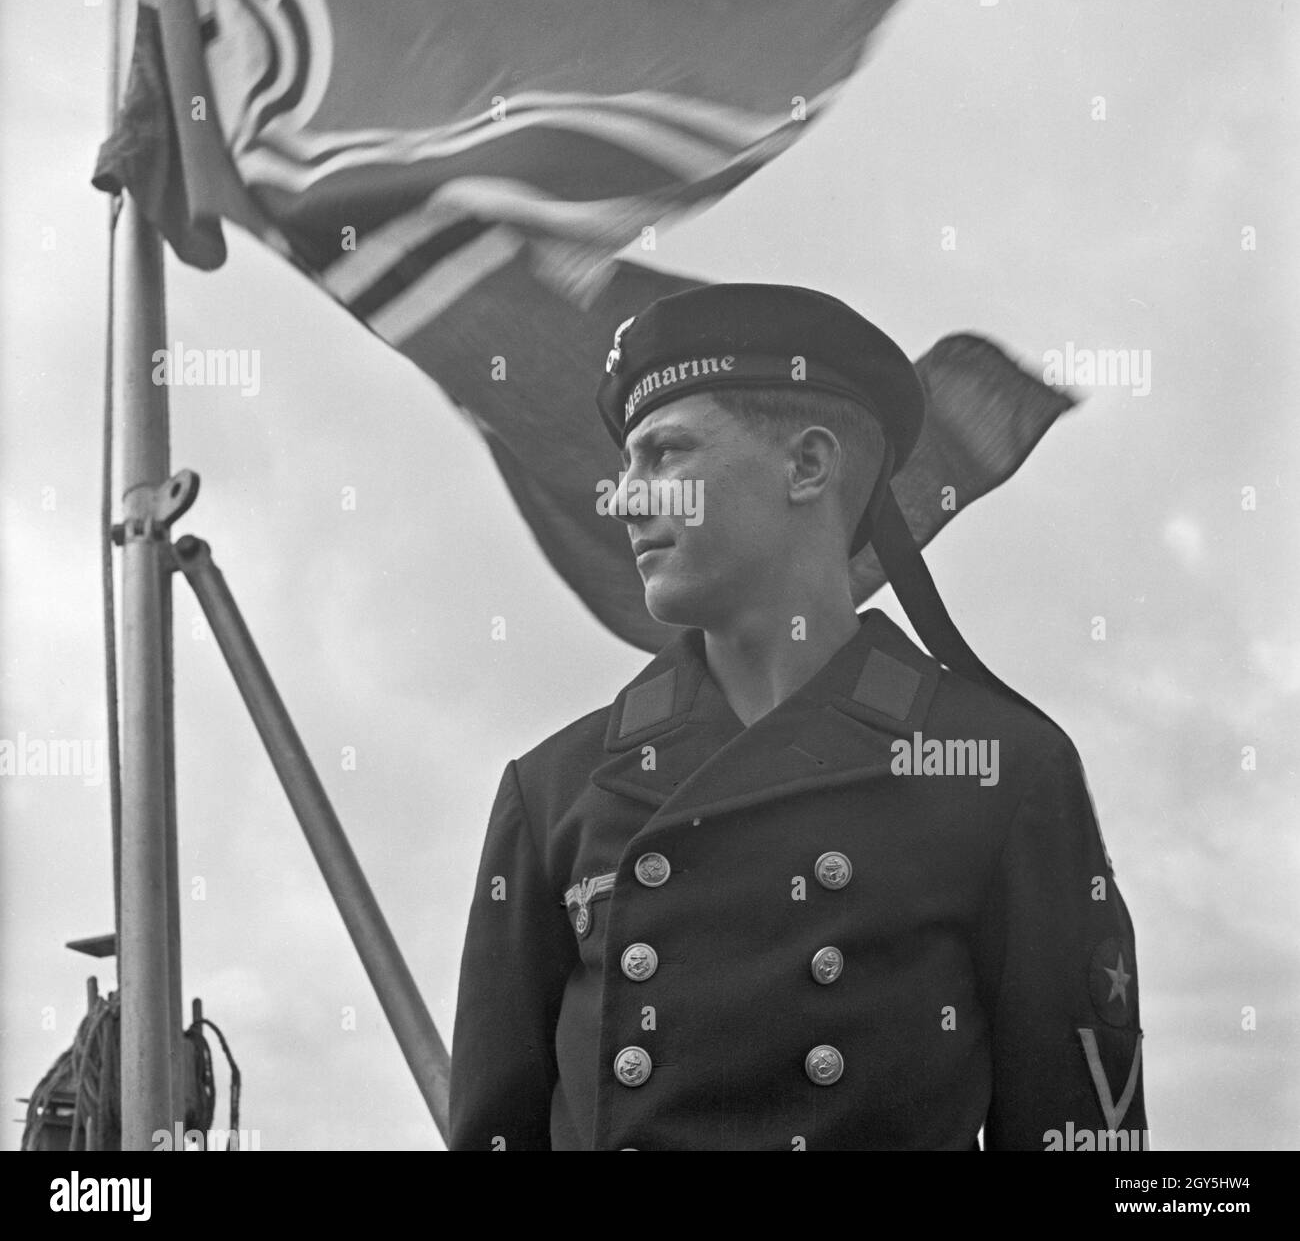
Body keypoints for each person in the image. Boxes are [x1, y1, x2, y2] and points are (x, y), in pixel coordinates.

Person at [449, 283, 1146, 1151]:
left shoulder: (1000, 766)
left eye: (665, 455)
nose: (626, 499)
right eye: (627, 464)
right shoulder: (552, 791)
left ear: (808, 466)